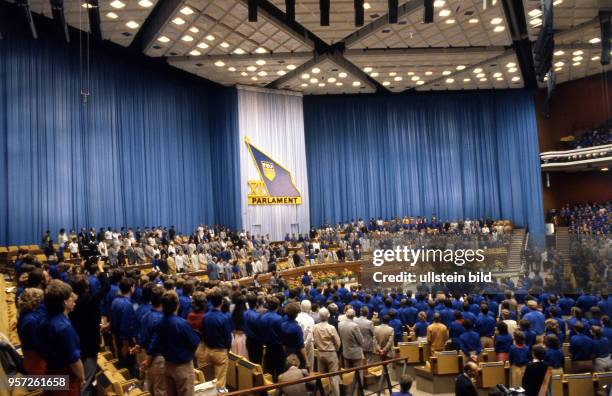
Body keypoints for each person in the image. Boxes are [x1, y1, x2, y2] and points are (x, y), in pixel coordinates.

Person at [144, 291, 200, 396]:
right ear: (177, 305)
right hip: (182, 367)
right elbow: (195, 342)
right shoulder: (182, 324)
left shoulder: (158, 323)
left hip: (167, 365)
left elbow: (155, 343)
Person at [38, 280, 85, 396]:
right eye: (70, 297)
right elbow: (74, 361)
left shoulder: (43, 319)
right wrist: (82, 377)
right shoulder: (64, 327)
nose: (74, 300)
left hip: (49, 373)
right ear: (64, 302)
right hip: (65, 378)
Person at [69, 269, 110, 396]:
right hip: (89, 344)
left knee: (84, 378)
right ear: (86, 287)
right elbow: (106, 286)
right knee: (86, 380)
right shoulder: (88, 300)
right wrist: (101, 269)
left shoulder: (71, 302)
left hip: (77, 341)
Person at [201, 290, 233, 393]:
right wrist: (227, 350)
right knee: (220, 384)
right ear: (222, 302)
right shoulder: (223, 318)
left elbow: (203, 333)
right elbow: (228, 338)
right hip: (220, 351)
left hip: (207, 350)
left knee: (209, 381)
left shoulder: (205, 316)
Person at [110, 277, 138, 377]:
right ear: (131, 288)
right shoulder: (127, 305)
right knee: (130, 368)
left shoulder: (115, 300)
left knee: (123, 365)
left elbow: (113, 322)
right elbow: (125, 328)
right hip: (125, 342)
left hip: (118, 338)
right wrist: (125, 346)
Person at [17, 288, 46, 375]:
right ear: (36, 302)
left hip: (29, 354)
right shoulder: (31, 320)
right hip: (35, 359)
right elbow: (36, 344)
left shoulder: (25, 314)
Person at [312, 307, 341, 396]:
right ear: (328, 316)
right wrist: (335, 350)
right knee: (334, 377)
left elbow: (314, 340)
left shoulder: (315, 327)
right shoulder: (331, 328)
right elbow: (338, 342)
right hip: (331, 353)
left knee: (322, 378)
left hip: (320, 353)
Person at [281, 302, 308, 368]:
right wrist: (307, 360)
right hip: (296, 354)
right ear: (296, 315)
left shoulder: (282, 325)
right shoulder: (297, 328)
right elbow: (301, 346)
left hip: (285, 352)